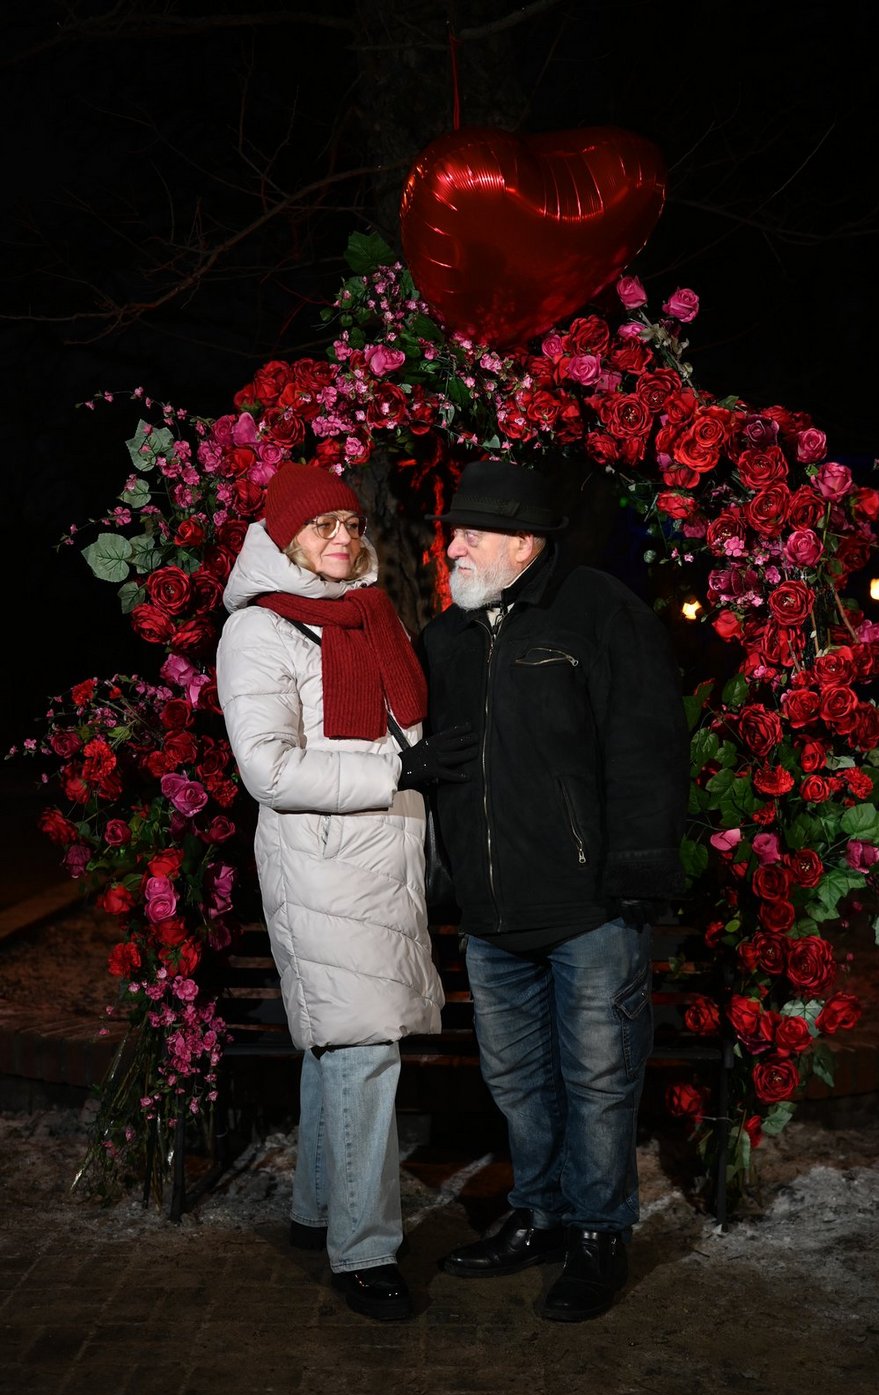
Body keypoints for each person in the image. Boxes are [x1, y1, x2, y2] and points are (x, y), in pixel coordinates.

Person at [419, 458, 690, 1323]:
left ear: (524, 542)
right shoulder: (446, 636)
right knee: (515, 1077)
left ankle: (600, 1234)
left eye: (470, 530)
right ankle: (537, 1213)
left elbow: (646, 747)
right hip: (494, 914)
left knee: (599, 1077)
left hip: (589, 910)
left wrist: (638, 871)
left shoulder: (600, 613)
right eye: (452, 528)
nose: (452, 543)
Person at [216, 460, 476, 1321]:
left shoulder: (365, 614)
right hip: (323, 862)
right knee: (365, 1052)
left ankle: (317, 1209)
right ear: (285, 538)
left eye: (349, 525)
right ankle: (363, 1254)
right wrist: (393, 765)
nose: (340, 538)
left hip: (380, 859)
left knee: (341, 1042)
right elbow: (269, 767)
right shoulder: (260, 632)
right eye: (321, 526)